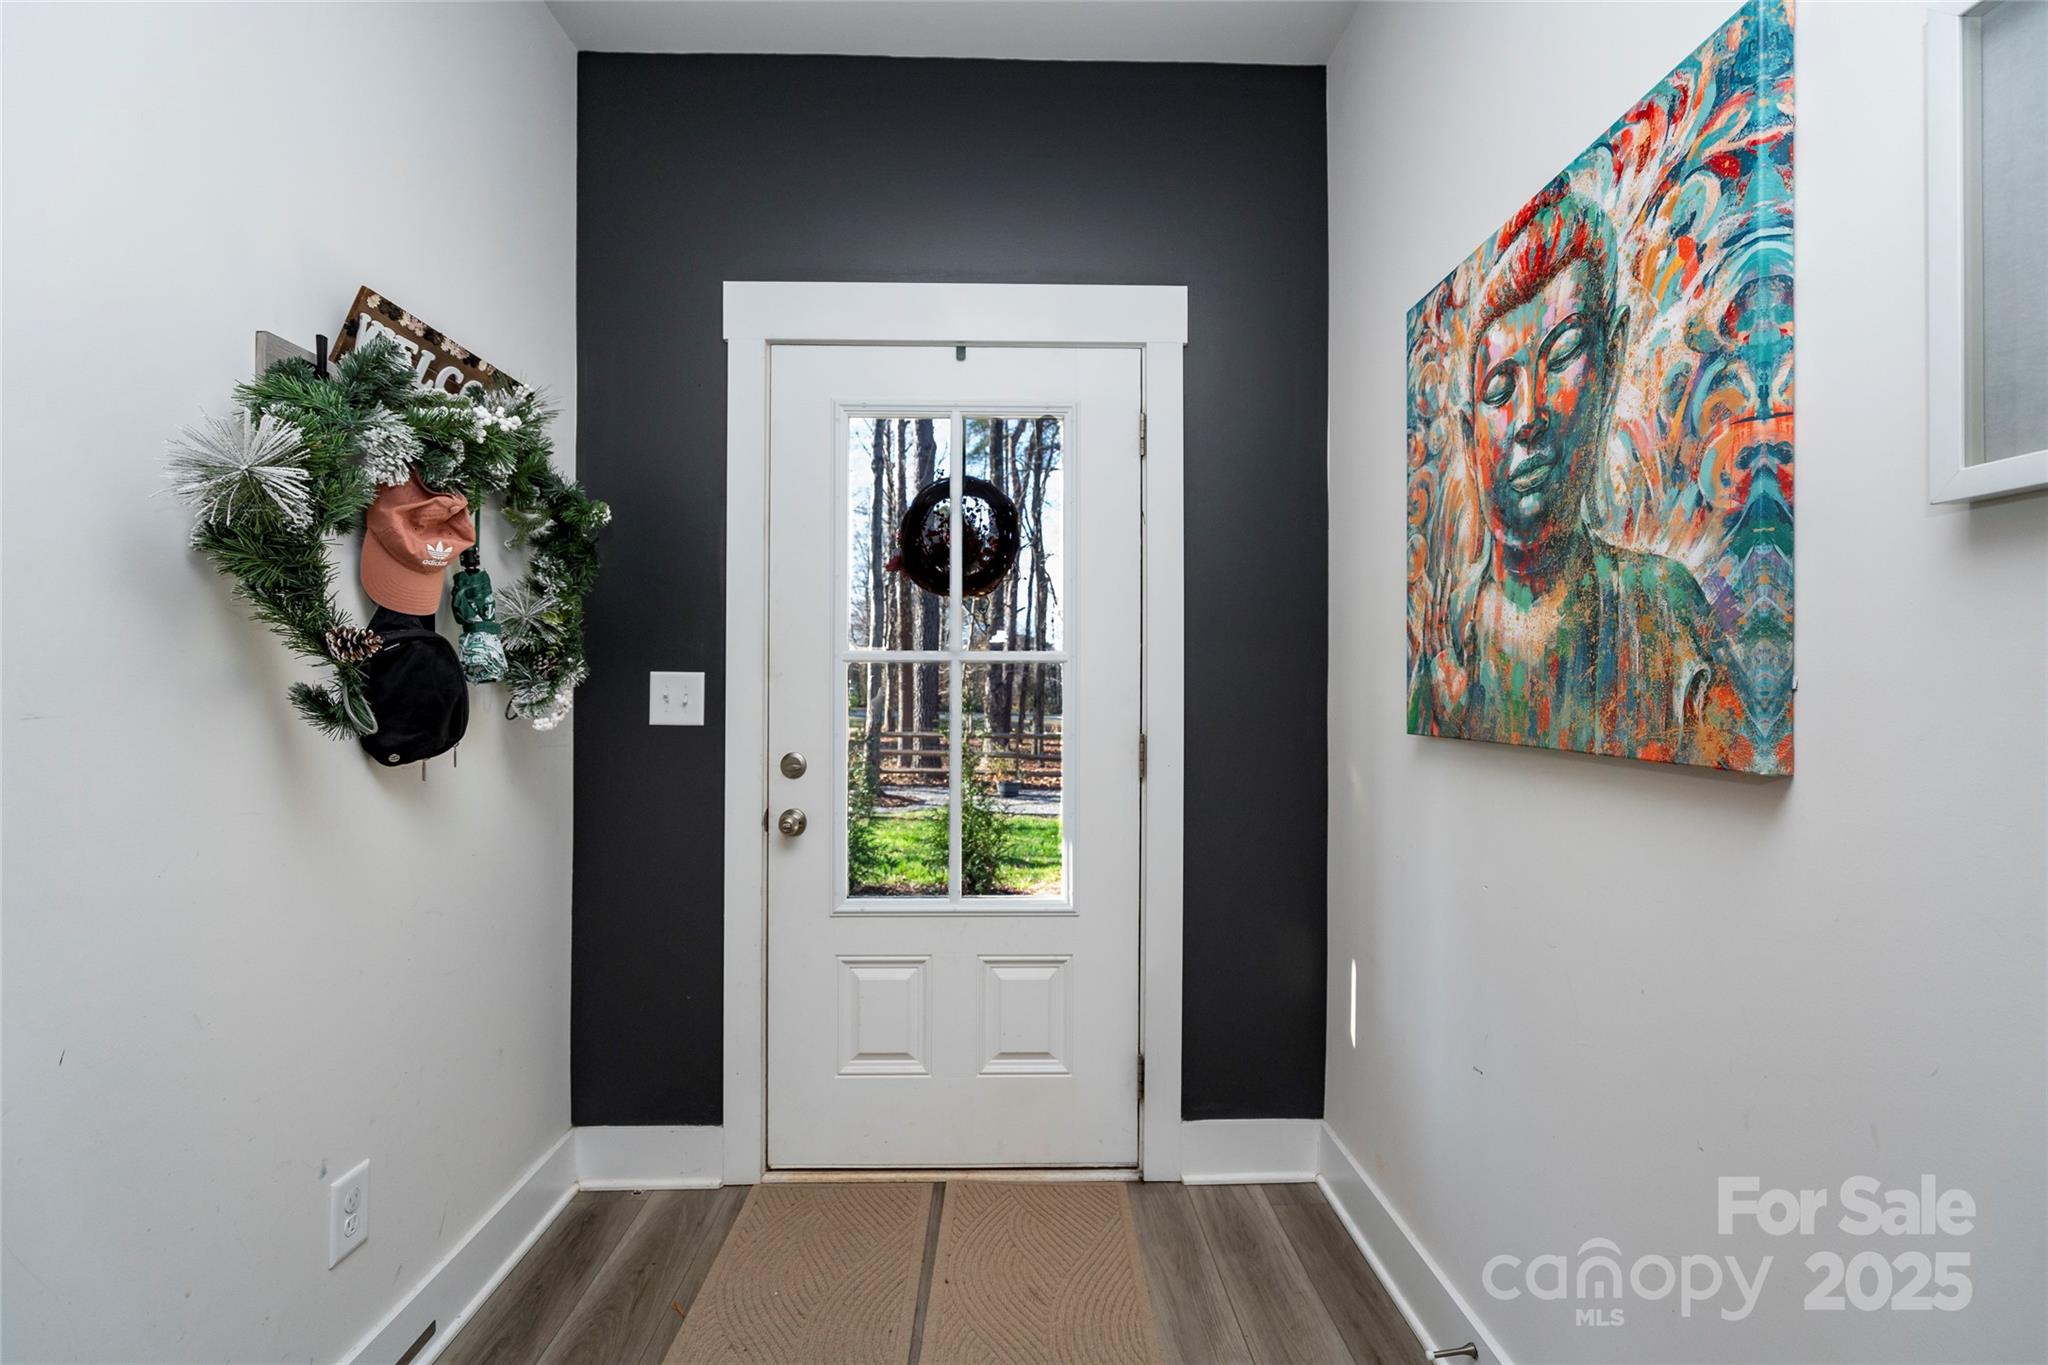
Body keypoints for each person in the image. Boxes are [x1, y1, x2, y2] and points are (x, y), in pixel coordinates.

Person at [1441, 184, 1736, 765]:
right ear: (1466, 429)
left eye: (1563, 353)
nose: (1530, 417)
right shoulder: (1449, 649)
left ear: (1611, 358)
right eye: (1500, 389)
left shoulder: (1665, 616)